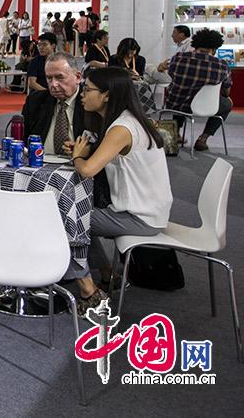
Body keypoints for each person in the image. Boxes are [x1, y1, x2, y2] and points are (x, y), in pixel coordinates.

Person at [67, 67, 172, 312]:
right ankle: (107, 273)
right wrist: (84, 153)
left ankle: (89, 290)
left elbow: (87, 170)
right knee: (77, 210)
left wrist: (78, 156)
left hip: (139, 217)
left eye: (87, 89)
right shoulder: (127, 121)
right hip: (147, 211)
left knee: (63, 216)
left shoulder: (122, 128)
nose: (82, 94)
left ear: (106, 95)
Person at [159, 28, 232, 152]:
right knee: (227, 103)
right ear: (214, 49)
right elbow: (226, 92)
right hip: (205, 107)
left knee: (182, 93)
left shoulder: (178, 58)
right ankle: (203, 139)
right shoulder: (222, 65)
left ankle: (175, 132)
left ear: (195, 44)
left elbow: (171, 76)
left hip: (175, 104)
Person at [22, 52, 89, 155]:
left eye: (60, 77)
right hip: (40, 162)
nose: (53, 84)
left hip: (79, 162)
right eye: (49, 78)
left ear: (78, 77)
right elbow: (25, 141)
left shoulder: (91, 103)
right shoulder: (35, 101)